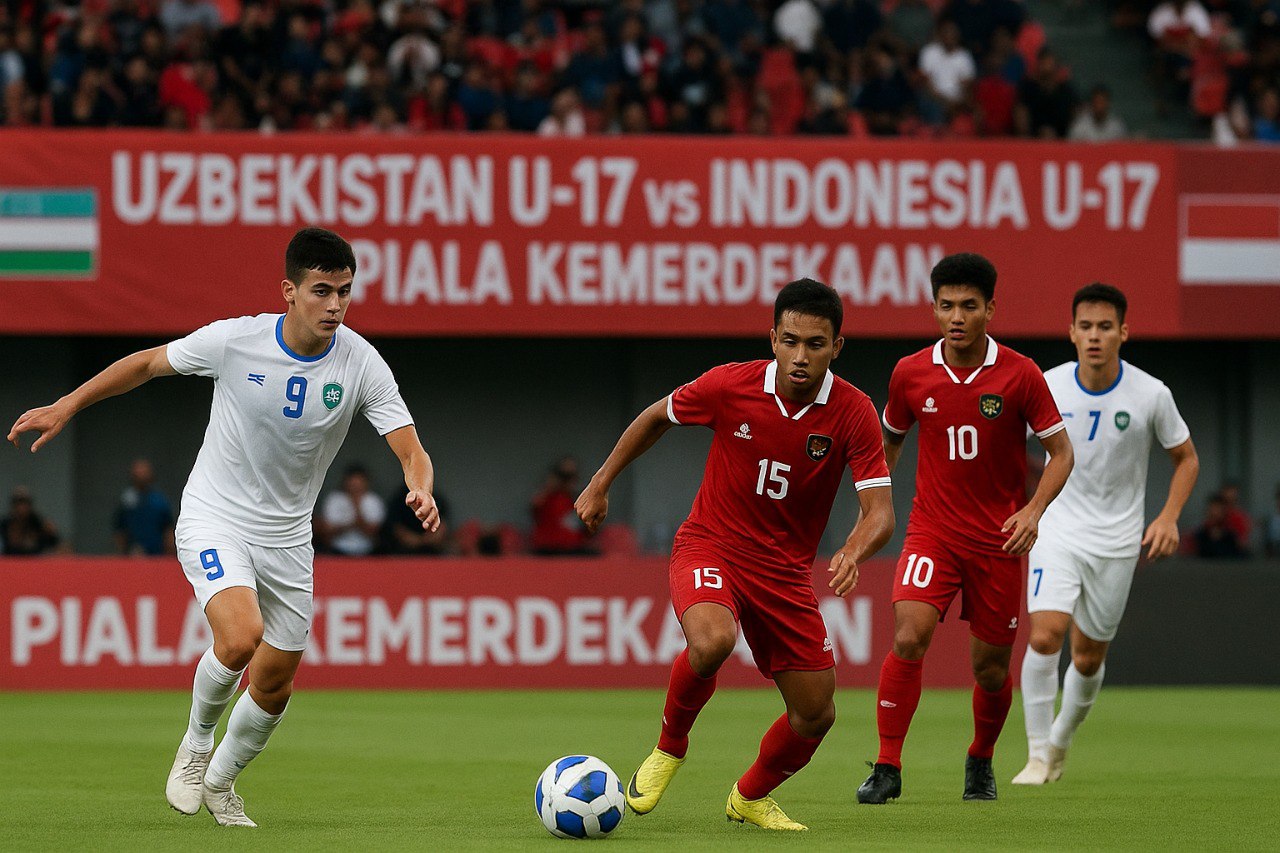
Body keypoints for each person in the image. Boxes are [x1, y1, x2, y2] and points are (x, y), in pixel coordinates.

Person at [7, 227, 440, 827]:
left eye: (344, 291)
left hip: (289, 539)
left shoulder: (362, 362)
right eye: (322, 291)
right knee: (240, 638)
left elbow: (410, 448)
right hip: (217, 517)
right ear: (289, 291)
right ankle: (193, 746)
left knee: (276, 683)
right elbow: (146, 364)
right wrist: (67, 405)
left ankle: (221, 781)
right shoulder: (236, 340)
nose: (336, 305)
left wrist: (420, 485)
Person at [576, 279, 895, 831]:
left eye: (815, 344)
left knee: (816, 713)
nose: (800, 357)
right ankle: (669, 749)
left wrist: (852, 550)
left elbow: (881, 513)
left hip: (787, 575)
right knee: (713, 639)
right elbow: (655, 416)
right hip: (711, 545)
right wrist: (601, 482)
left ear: (837, 347)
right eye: (790, 340)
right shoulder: (730, 385)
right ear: (772, 338)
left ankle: (748, 797)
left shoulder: (854, 412)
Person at [858, 253, 1074, 805]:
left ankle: (980, 757)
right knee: (908, 635)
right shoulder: (910, 373)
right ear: (933, 308)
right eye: (947, 305)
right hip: (932, 531)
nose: (957, 316)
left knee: (991, 668)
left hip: (999, 540)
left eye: (969, 306)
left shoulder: (1021, 374)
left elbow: (1061, 452)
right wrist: (874, 506)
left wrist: (1032, 512)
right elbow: (890, 443)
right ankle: (887, 766)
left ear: (990, 310)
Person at [1013, 283, 1198, 786]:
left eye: (1105, 327)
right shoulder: (1048, 385)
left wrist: (1167, 517)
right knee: (1046, 634)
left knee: (1088, 656)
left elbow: (1185, 458)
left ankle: (1059, 742)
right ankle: (1034, 754)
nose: (1095, 336)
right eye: (1086, 327)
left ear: (1124, 332)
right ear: (1071, 332)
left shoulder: (1150, 393)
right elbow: (1008, 443)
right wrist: (1027, 503)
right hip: (1058, 530)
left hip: (1117, 542)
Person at [317, 465, 384, 556]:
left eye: (358, 484)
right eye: (352, 484)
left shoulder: (373, 500)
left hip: (367, 552)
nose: (355, 488)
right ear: (345, 482)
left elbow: (374, 532)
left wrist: (357, 506)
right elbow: (326, 531)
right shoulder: (334, 499)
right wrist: (352, 524)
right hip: (337, 551)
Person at [114, 458, 176, 555]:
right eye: (138, 471)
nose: (141, 474)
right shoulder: (126, 500)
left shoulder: (159, 500)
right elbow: (120, 529)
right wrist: (122, 553)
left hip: (157, 554)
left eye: (144, 471)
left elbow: (168, 529)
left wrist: (169, 553)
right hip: (132, 554)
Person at [531, 457, 590, 555]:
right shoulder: (547, 498)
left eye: (570, 476)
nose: (566, 481)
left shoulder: (578, 500)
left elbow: (589, 529)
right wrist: (549, 487)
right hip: (547, 550)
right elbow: (535, 505)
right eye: (564, 476)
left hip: (573, 551)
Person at [382, 487, 451, 555]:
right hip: (403, 553)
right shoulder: (398, 501)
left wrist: (427, 539)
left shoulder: (435, 499)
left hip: (433, 551)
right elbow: (396, 529)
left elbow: (442, 527)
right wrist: (419, 540)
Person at [0, 487, 62, 555]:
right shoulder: (5, 524)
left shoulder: (39, 524)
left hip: (34, 563)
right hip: (11, 562)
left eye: (24, 502)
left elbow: (58, 545)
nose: (21, 507)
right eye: (18, 502)